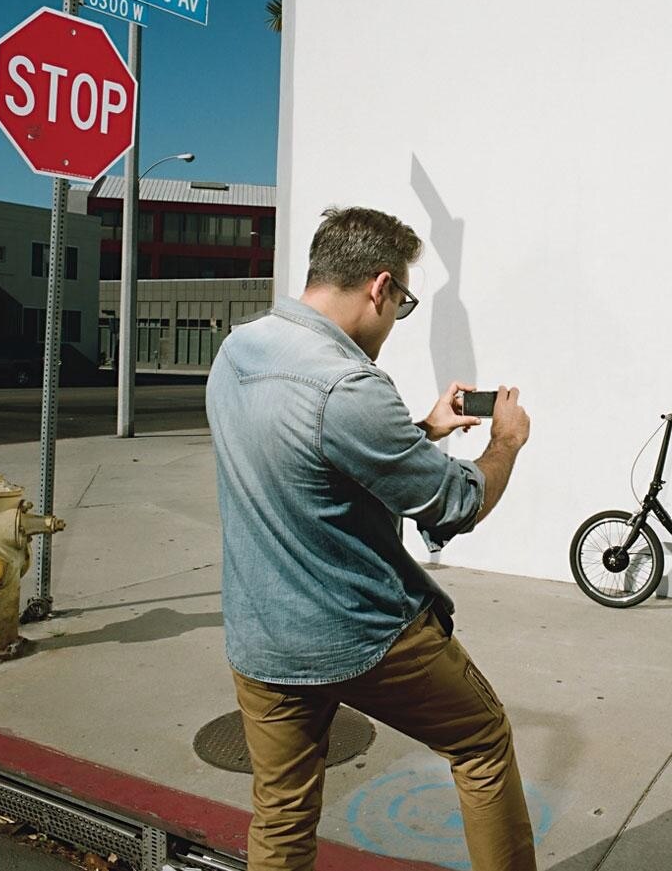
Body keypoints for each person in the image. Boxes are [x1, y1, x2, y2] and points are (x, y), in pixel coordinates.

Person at [206, 206, 536, 871]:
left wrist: (428, 428)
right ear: (379, 286)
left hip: (261, 635)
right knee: (481, 742)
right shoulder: (349, 382)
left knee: (282, 811)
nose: (394, 319)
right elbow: (454, 503)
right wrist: (506, 441)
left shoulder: (237, 351)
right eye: (402, 302)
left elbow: (320, 466)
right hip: (362, 633)